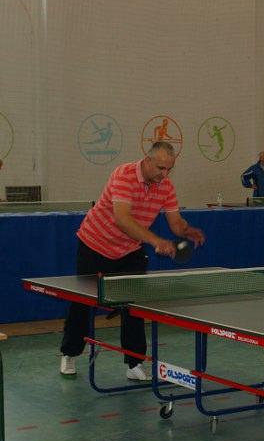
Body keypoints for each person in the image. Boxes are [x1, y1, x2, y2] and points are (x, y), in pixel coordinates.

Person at [59, 141, 205, 380]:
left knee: (134, 307)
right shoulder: (123, 175)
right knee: (82, 304)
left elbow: (175, 222)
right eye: (160, 168)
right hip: (94, 245)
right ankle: (69, 353)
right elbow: (123, 219)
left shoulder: (166, 186)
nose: (164, 174)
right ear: (147, 160)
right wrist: (156, 241)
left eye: (169, 169)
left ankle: (134, 362)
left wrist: (187, 230)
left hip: (129, 251)